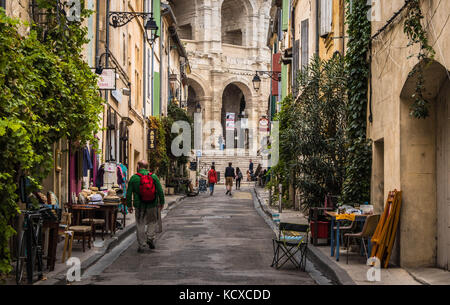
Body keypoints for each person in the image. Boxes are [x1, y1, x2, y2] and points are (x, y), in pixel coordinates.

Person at [127, 160, 165, 253]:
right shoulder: (153, 176)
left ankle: (141, 244)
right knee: (152, 221)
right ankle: (150, 237)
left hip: (139, 205)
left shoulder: (134, 178)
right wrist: (162, 202)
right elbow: (160, 190)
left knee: (140, 224)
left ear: (138, 166)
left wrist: (129, 205)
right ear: (147, 167)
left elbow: (128, 193)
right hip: (152, 204)